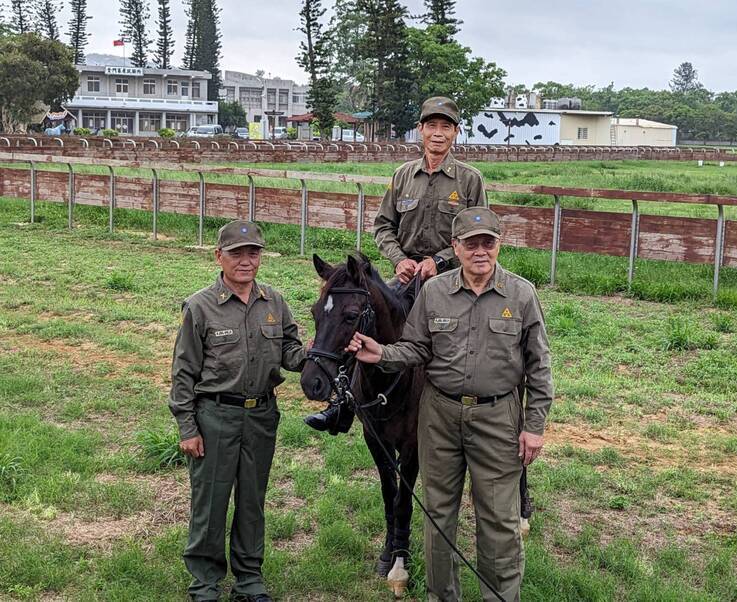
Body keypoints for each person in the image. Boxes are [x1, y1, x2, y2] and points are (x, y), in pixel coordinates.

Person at [346, 207, 554, 602]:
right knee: (438, 516)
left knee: (498, 518)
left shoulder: (521, 294)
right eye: (471, 244)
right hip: (439, 416)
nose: (480, 252)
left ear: (499, 245)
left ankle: (500, 596)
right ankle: (442, 595)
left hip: (497, 417)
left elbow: (539, 366)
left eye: (488, 243)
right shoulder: (435, 292)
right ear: (455, 248)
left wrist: (535, 425)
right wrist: (382, 353)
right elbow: (417, 347)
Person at [304, 96, 488, 434]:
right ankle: (342, 403)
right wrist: (399, 259)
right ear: (420, 130)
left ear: (455, 133)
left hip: (451, 278)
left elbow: (478, 235)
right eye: (431, 126)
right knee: (360, 322)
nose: (437, 133)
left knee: (462, 342)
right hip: (405, 276)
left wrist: (441, 260)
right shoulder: (403, 176)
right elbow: (383, 226)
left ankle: (463, 415)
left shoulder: (470, 180)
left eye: (445, 127)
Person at [169, 220, 306, 602]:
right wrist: (187, 427)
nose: (246, 261)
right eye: (237, 253)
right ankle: (205, 583)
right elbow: (183, 371)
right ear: (219, 256)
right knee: (210, 502)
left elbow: (291, 352)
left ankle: (249, 581)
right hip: (216, 416)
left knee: (252, 500)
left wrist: (319, 354)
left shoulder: (274, 302)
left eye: (253, 253)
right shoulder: (200, 306)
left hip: (261, 416)